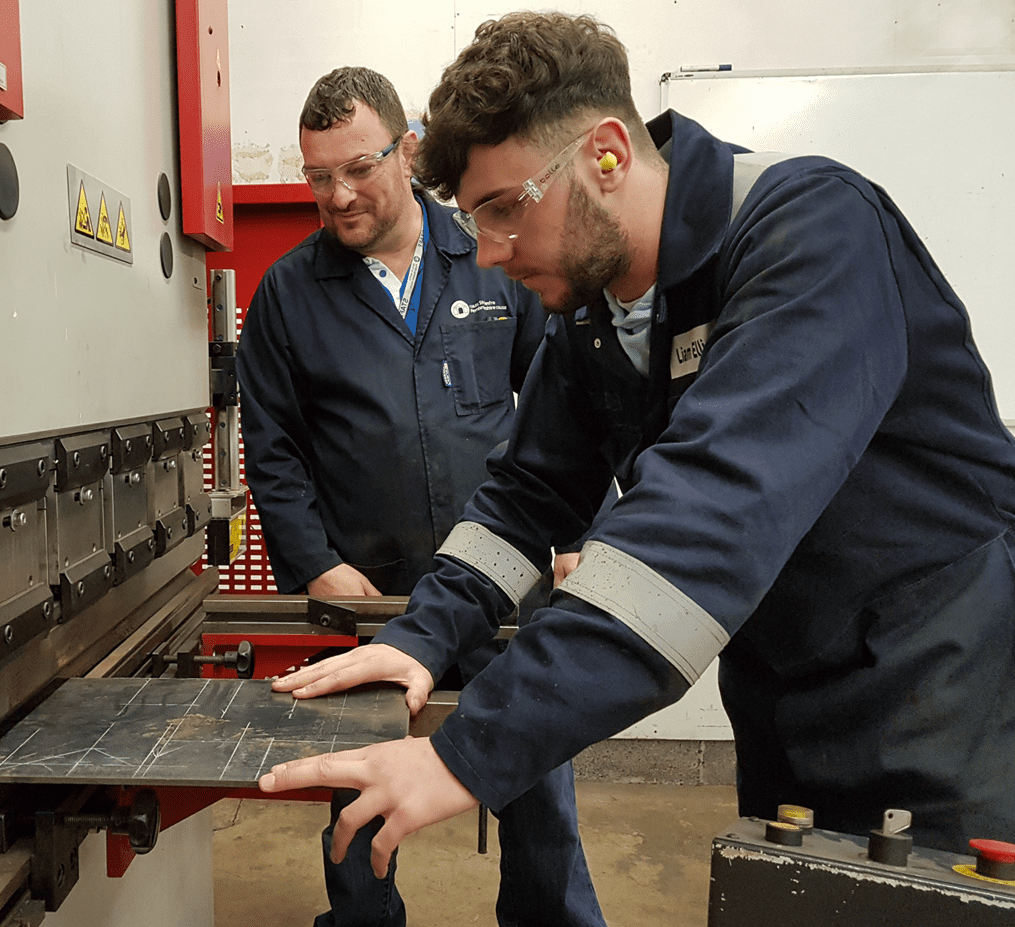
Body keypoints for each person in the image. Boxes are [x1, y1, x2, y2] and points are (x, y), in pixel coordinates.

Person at [259, 10, 1015, 884]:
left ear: (608, 157)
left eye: (503, 209)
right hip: (781, 686)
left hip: (936, 695)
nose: (489, 253)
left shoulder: (810, 234)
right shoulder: (595, 311)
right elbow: (527, 494)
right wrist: (423, 635)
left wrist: (465, 751)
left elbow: (701, 528)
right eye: (474, 218)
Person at [236, 67, 606, 927]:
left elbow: (568, 407)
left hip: (508, 585)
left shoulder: (492, 253)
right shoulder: (290, 292)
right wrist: (315, 565)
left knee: (538, 786)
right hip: (371, 595)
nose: (337, 195)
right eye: (318, 175)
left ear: (406, 150)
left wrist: (578, 531)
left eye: (357, 167)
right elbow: (274, 451)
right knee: (360, 796)